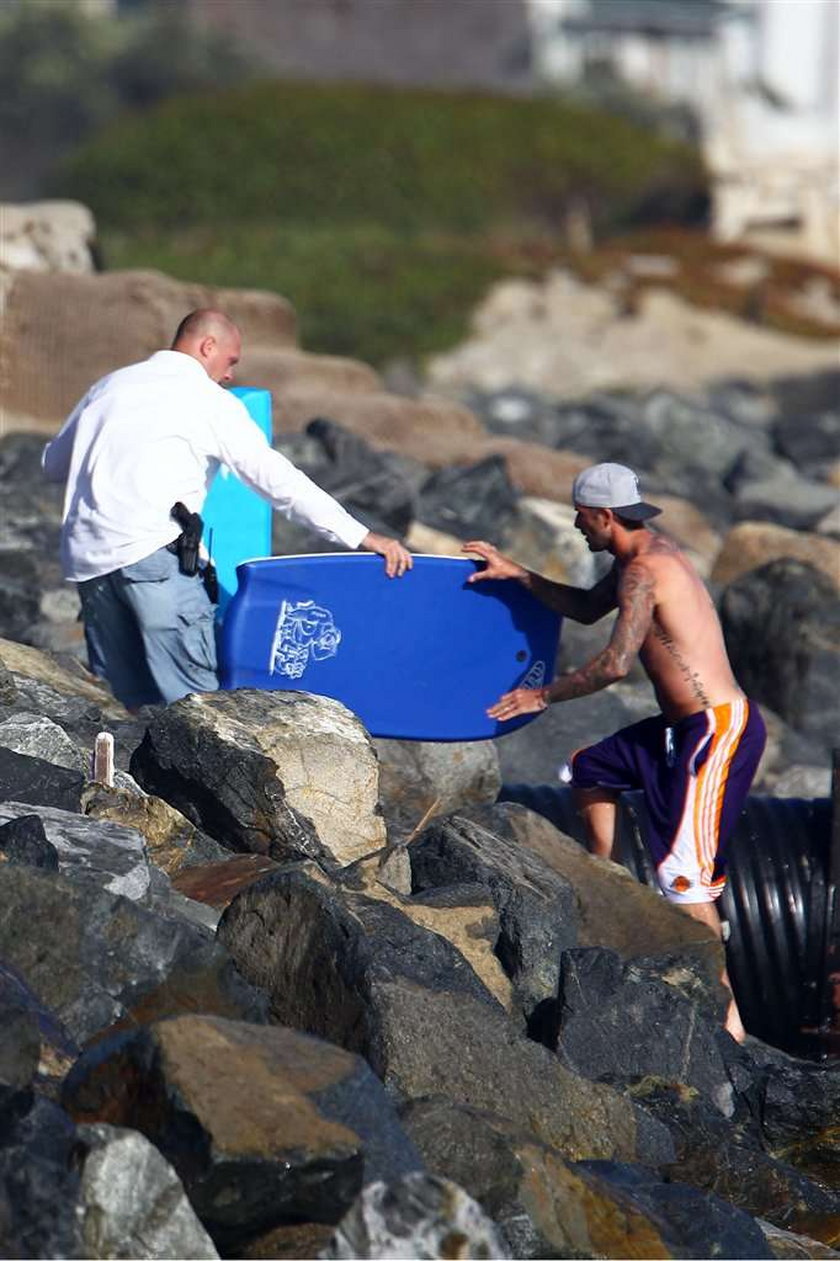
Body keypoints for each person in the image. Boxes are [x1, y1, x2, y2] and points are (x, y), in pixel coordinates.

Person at [464, 462, 766, 1042]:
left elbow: (615, 664)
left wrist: (540, 696)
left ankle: (729, 1026)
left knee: (685, 879)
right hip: (680, 728)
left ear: (604, 516)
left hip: (715, 731)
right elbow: (581, 608)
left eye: (581, 519)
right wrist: (517, 574)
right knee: (590, 768)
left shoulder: (644, 572)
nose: (578, 528)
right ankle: (600, 876)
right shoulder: (641, 555)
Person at [43, 309, 412, 710]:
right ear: (207, 346)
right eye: (231, 360)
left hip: (89, 562)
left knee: (121, 707)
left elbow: (53, 465)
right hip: (154, 557)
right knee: (196, 708)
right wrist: (360, 535)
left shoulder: (108, 386)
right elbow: (275, 479)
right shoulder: (207, 400)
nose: (231, 374)